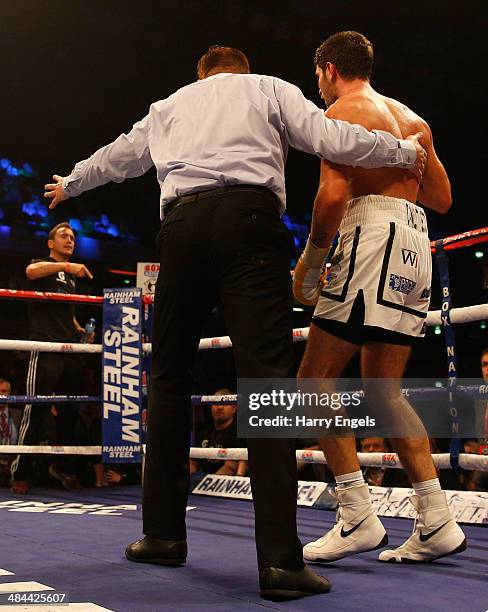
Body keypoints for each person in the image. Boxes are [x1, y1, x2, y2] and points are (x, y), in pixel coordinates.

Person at [44, 45, 426, 599]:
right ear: (241, 70)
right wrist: (398, 150)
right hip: (249, 226)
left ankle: (162, 536)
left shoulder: (169, 104)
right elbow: (330, 138)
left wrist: (71, 183)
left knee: (170, 378)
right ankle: (278, 563)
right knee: (267, 381)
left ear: (201, 74)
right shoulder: (268, 88)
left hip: (181, 229)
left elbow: (118, 157)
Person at [295, 31, 466, 564]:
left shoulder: (343, 109)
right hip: (414, 242)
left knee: (311, 382)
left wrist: (310, 264)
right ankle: (437, 520)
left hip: (370, 236)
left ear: (327, 69)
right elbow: (441, 198)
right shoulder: (413, 121)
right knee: (383, 389)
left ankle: (356, 517)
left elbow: (331, 197)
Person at [10, 222, 94, 494]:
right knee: (36, 408)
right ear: (50, 243)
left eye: (72, 237)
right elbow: (30, 272)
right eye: (64, 236)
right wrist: (67, 267)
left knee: (71, 410)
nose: (70, 240)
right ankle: (20, 472)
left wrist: (81, 330)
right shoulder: (44, 264)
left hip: (69, 349)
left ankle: (63, 467)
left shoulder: (69, 278)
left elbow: (66, 311)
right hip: (45, 346)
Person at [190, 388, 247, 476]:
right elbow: (194, 462)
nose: (219, 407)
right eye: (216, 403)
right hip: (202, 479)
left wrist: (210, 484)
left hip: (226, 484)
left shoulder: (239, 433)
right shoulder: (204, 431)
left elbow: (231, 467)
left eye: (225, 404)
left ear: (234, 409)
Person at [0, 379, 18, 486]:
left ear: (9, 394)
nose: (1, 395)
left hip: (13, 467)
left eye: (4, 391)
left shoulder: (19, 415)